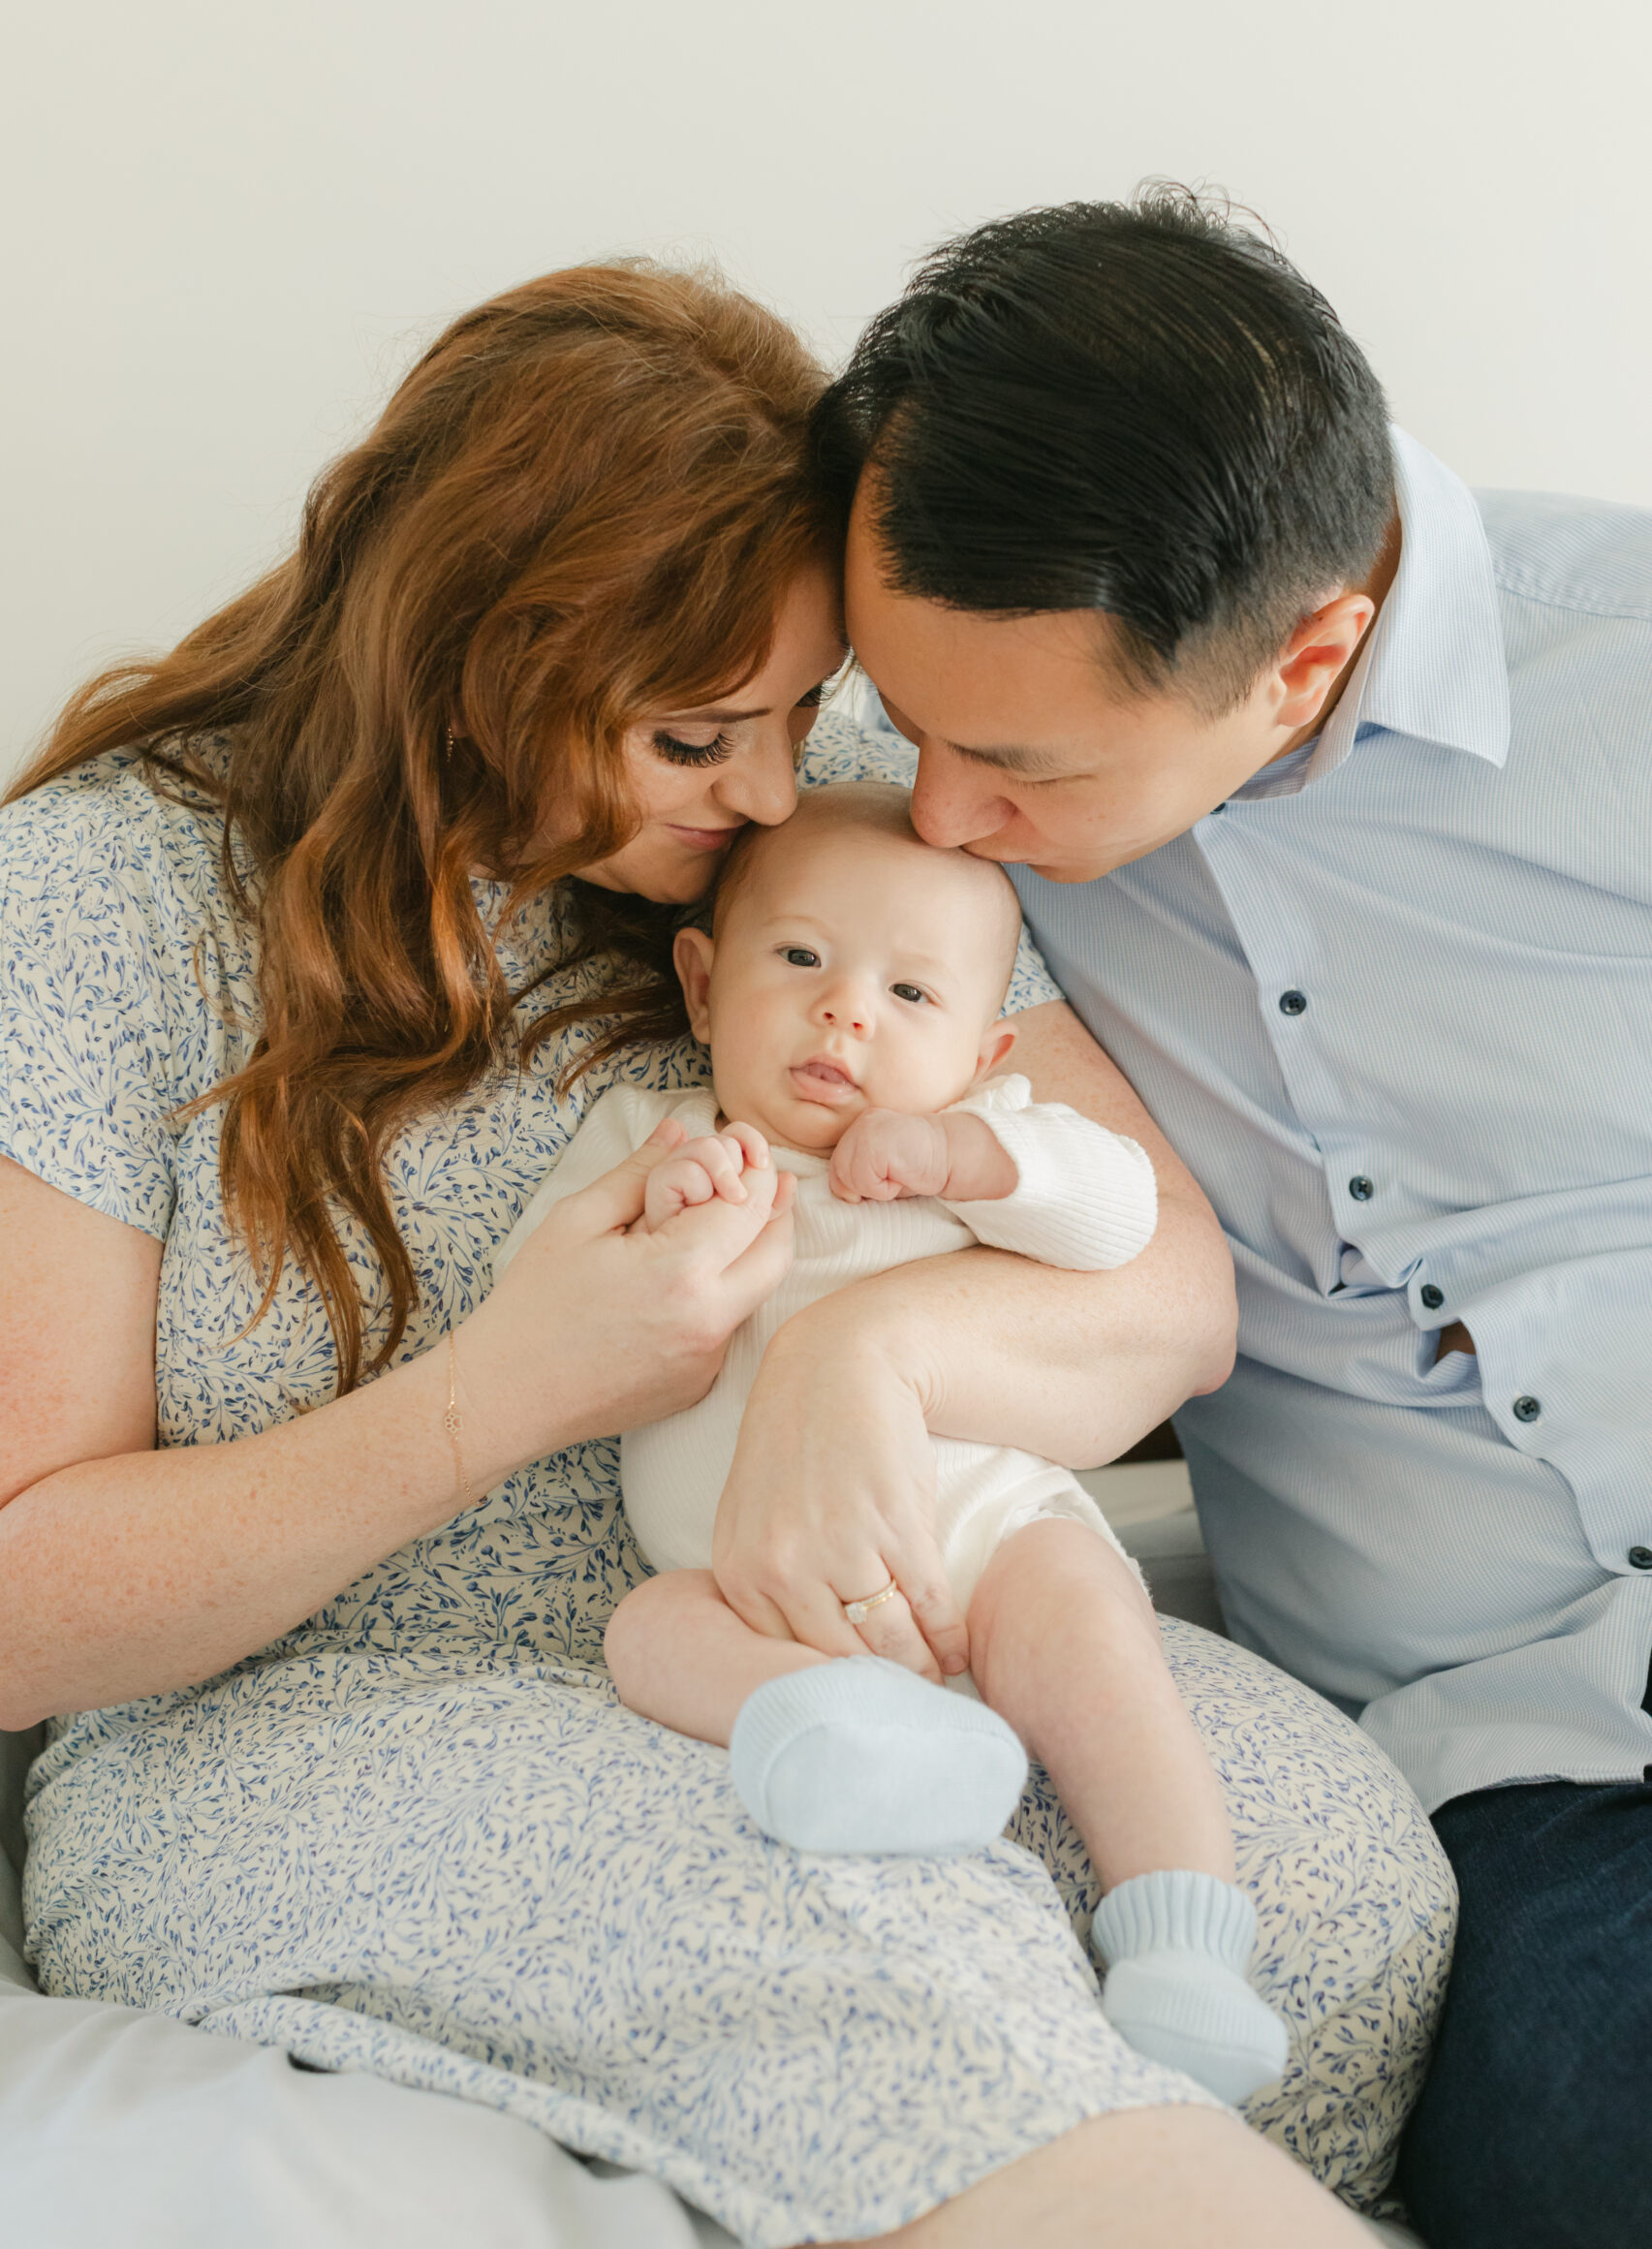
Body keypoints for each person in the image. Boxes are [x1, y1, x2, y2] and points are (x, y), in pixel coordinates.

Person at [0, 260, 1374, 2247]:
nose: (766, 789)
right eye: (694, 731)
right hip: (321, 1705)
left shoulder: (813, 867)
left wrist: (864, 1360)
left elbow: (1162, 1286)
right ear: (486, 656)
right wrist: (508, 1389)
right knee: (882, 1947)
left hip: (838, 1602)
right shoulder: (103, 898)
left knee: (1338, 1894)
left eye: (800, 713)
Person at [822, 187, 1652, 2249]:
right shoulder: (929, 876)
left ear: (1304, 660)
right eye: (907, 723)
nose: (935, 815)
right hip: (1526, 1763)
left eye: (1004, 762)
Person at [500, 781, 1290, 2108]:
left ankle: (1180, 1944)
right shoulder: (658, 1140)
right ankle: (862, 1740)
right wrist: (654, 1220)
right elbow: (538, 1308)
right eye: (799, 959)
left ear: (986, 1050)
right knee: (647, 1633)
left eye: (911, 998)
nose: (845, 1012)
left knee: (1094, 1631)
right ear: (701, 987)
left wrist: (970, 1155)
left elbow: (1117, 1224)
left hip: (983, 1543)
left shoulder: (989, 1142)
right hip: (745, 1584)